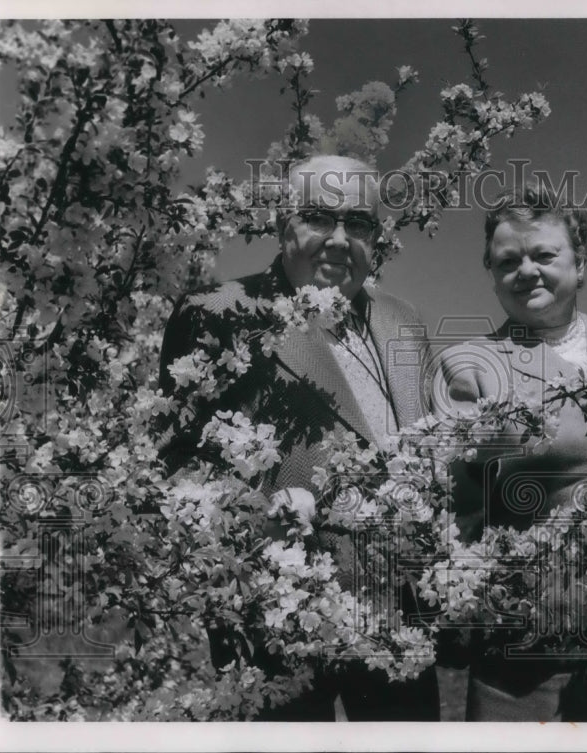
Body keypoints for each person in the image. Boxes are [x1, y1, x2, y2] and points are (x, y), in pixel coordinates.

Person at [159, 155, 440, 721]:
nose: (339, 241)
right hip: (280, 616)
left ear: (376, 238)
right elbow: (177, 463)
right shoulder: (218, 313)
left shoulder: (403, 318)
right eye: (319, 218)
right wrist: (255, 513)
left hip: (397, 614)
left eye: (357, 223)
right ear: (283, 224)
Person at [432, 181, 587, 722]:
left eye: (544, 255)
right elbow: (458, 505)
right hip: (528, 652)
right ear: (492, 276)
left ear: (581, 265)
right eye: (508, 261)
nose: (526, 270)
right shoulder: (470, 366)